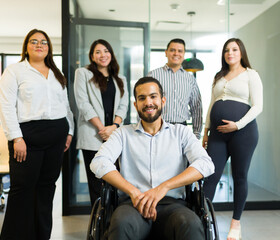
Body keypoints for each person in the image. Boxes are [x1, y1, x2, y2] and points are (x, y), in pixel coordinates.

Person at [90, 77, 214, 240]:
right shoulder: (123, 134)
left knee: (190, 223)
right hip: (132, 205)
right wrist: (133, 191)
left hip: (173, 206)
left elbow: (206, 164)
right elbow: (99, 162)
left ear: (163, 100)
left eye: (153, 96)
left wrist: (163, 187)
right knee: (121, 223)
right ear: (136, 105)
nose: (148, 102)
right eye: (142, 98)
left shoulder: (181, 132)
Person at [0, 29, 74, 240]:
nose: (39, 45)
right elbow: (6, 106)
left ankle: (41, 235)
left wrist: (69, 131)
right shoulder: (14, 71)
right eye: (34, 41)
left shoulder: (56, 73)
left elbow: (65, 106)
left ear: (49, 47)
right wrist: (16, 138)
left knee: (46, 189)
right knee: (22, 190)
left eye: (44, 42)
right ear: (26, 46)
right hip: (27, 136)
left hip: (57, 135)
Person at [202, 38, 263, 240]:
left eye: (234, 49)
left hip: (243, 133)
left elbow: (257, 106)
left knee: (240, 177)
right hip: (218, 135)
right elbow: (212, 103)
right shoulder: (219, 76)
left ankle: (236, 224)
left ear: (241, 52)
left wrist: (237, 125)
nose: (230, 53)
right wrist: (206, 130)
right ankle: (201, 219)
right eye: (227, 50)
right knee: (210, 176)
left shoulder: (251, 75)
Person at [74, 39, 128, 206]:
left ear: (111, 54)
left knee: (115, 179)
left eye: (106, 51)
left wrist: (114, 127)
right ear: (92, 56)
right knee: (96, 182)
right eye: (98, 52)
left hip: (114, 135)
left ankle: (114, 219)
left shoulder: (120, 78)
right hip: (93, 134)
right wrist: (102, 128)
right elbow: (83, 104)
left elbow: (123, 105)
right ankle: (100, 224)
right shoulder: (83, 73)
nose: (102, 55)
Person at [147, 38, 203, 139]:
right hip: (157, 128)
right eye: (172, 50)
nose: (176, 53)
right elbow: (145, 103)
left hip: (182, 129)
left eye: (180, 51)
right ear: (166, 52)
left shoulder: (190, 79)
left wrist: (196, 133)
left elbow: (196, 107)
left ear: (184, 54)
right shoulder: (153, 75)